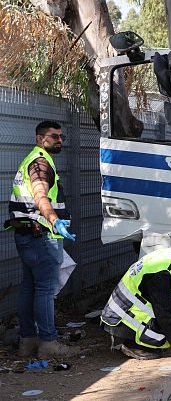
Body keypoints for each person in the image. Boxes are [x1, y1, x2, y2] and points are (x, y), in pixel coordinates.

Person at [4, 121, 79, 358]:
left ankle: (28, 340)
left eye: (61, 136)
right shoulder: (40, 163)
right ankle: (48, 343)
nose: (59, 140)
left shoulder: (32, 159)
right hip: (42, 235)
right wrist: (54, 220)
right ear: (39, 139)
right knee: (45, 290)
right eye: (53, 136)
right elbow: (40, 195)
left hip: (26, 235)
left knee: (30, 287)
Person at [100, 238, 171, 360]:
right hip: (121, 319)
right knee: (159, 342)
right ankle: (132, 345)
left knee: (169, 328)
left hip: (123, 311)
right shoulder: (161, 273)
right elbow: (164, 315)